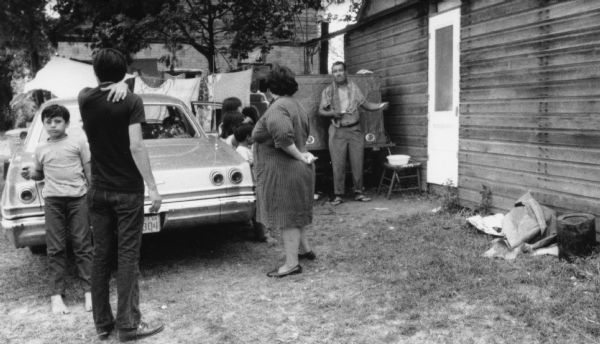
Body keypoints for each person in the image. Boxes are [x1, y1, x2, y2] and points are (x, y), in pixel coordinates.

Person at [79, 48, 164, 342]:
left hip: (98, 190)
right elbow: (137, 146)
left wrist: (116, 83)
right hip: (127, 190)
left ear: (95, 70)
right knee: (128, 256)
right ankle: (128, 326)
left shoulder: (84, 99)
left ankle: (103, 324)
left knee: (100, 256)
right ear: (123, 72)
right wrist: (152, 187)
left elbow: (97, 89)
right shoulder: (131, 100)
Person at [21, 104, 93, 315]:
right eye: (48, 122)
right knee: (55, 248)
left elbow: (89, 170)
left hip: (78, 199)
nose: (53, 125)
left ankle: (90, 292)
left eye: (57, 121)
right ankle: (56, 296)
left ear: (66, 123)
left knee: (83, 245)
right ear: (43, 124)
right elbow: (40, 174)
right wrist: (31, 175)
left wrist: (94, 194)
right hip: (53, 202)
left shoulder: (78, 143)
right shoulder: (41, 149)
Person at [252, 64, 317, 278]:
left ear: (270, 88)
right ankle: (304, 249)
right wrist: (302, 156)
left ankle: (291, 264)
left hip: (285, 171)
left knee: (287, 217)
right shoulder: (295, 105)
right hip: (297, 170)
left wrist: (299, 155)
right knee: (294, 211)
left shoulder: (278, 108)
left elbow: (283, 137)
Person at [318, 61, 389, 205]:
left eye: (340, 70)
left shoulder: (354, 88)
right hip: (337, 130)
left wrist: (380, 106)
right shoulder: (328, 91)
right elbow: (320, 111)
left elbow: (366, 105)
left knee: (358, 162)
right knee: (338, 164)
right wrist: (332, 112)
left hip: (355, 130)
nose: (338, 73)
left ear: (345, 72)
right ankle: (338, 195)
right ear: (333, 74)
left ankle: (359, 192)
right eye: (335, 71)